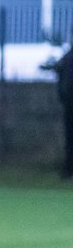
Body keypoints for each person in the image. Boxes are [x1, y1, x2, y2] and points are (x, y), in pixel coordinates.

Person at [52, 34, 73, 180]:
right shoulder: (67, 57)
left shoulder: (67, 58)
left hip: (68, 104)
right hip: (69, 106)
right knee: (70, 139)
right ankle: (68, 170)